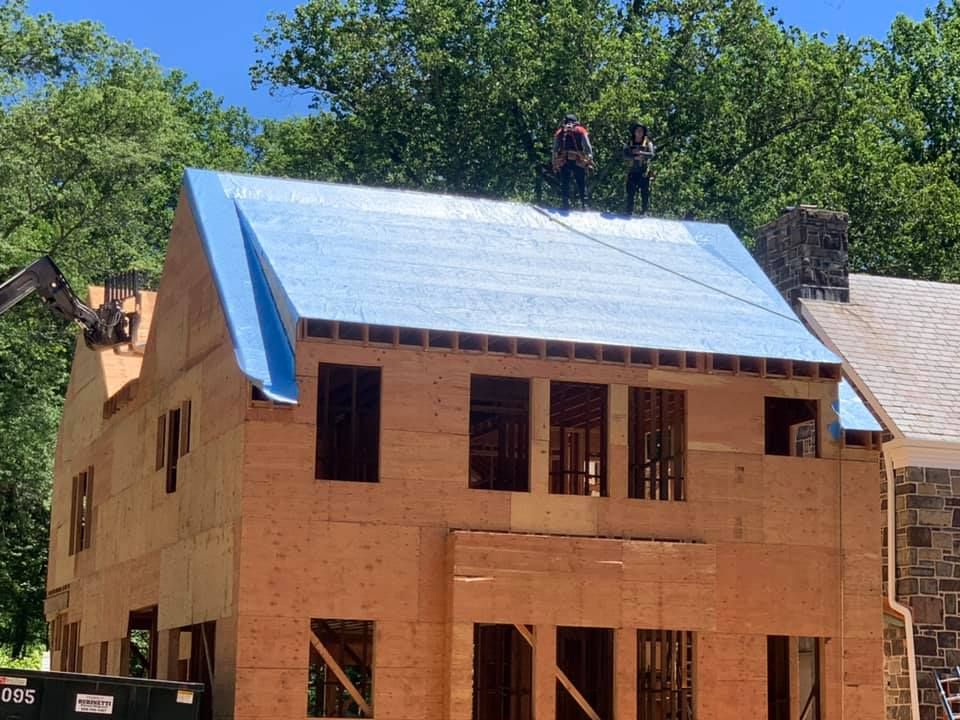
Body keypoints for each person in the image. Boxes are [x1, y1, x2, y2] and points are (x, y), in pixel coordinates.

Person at [552, 113, 594, 210]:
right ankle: (585, 205)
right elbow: (587, 146)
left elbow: (555, 149)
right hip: (578, 160)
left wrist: (554, 163)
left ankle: (565, 204)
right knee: (581, 182)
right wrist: (590, 159)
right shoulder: (581, 130)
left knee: (565, 182)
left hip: (564, 160)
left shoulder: (560, 131)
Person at [624, 122, 655, 215]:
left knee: (645, 193)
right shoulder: (629, 142)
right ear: (634, 132)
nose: (639, 132)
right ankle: (629, 211)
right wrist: (633, 157)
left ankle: (644, 211)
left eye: (641, 131)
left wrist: (641, 153)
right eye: (637, 130)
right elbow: (624, 155)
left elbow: (652, 154)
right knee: (630, 192)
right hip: (632, 171)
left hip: (644, 172)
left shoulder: (648, 143)